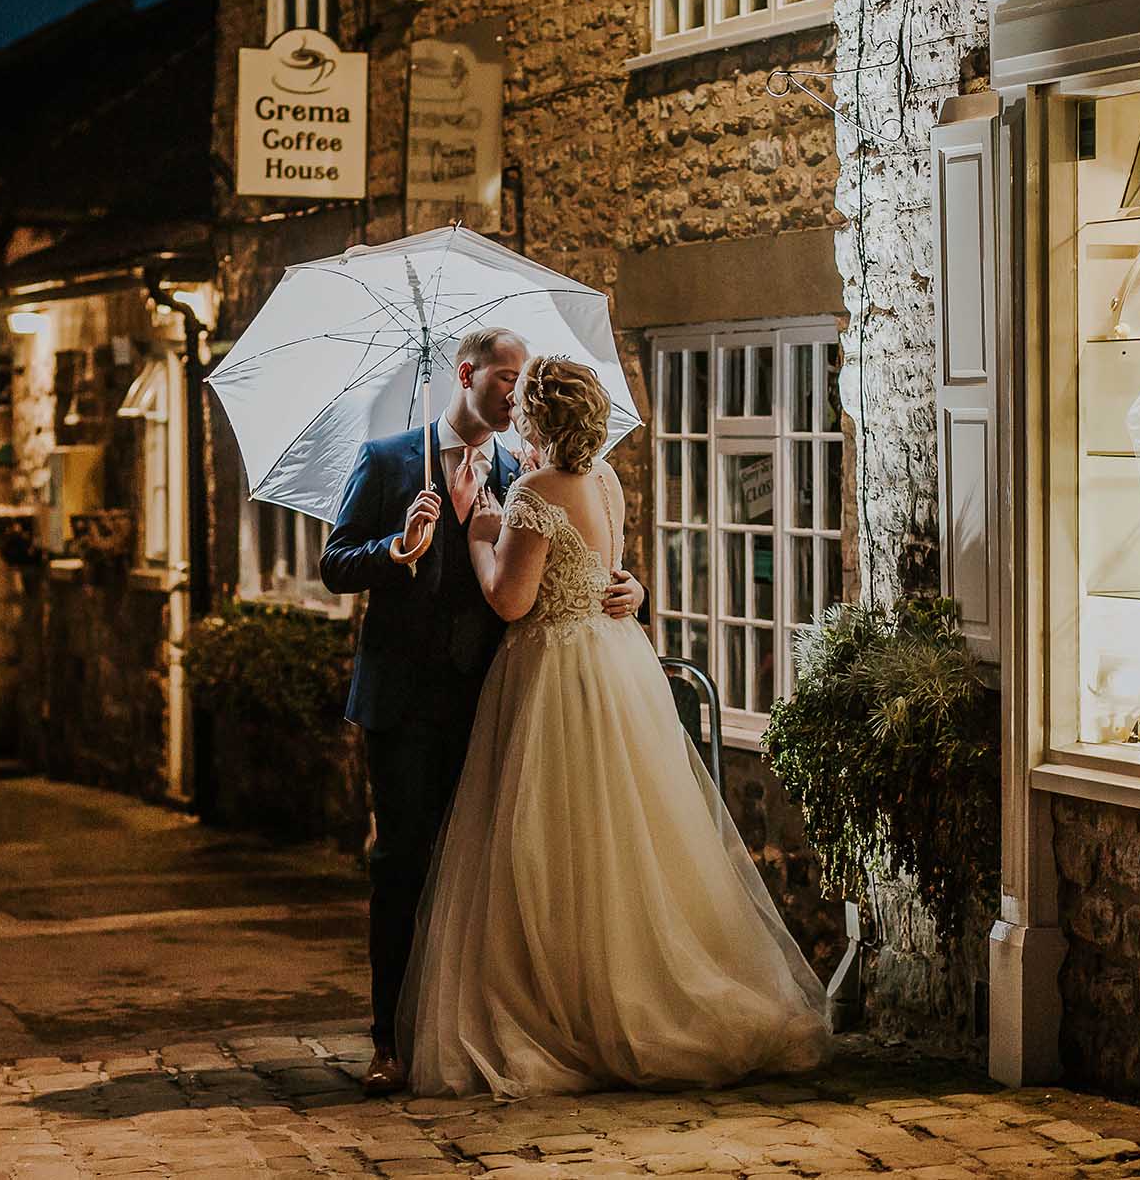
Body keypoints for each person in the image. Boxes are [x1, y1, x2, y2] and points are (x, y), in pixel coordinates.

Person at [398, 355, 831, 1099]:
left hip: (551, 674)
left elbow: (510, 598)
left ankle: (569, 1010)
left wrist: (480, 527)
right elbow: (604, 569)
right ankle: (631, 987)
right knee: (624, 841)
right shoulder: (604, 479)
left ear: (539, 418)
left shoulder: (534, 491)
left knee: (550, 845)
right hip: (614, 665)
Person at [321, 328, 645, 1097]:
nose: (514, 391)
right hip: (403, 700)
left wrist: (628, 589)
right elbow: (335, 561)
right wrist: (397, 549)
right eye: (505, 377)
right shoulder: (389, 458)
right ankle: (389, 1044)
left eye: (522, 381)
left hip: (493, 699)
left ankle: (464, 1028)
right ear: (466, 374)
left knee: (483, 873)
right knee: (400, 864)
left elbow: (565, 567)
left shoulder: (524, 468)